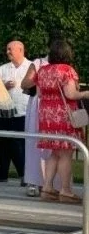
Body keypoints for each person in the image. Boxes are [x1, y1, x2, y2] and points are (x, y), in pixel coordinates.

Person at [22, 39, 89, 203]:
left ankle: (47, 188)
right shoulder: (67, 70)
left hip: (46, 115)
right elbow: (71, 94)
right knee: (66, 154)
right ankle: (65, 190)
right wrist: (86, 94)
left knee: (53, 153)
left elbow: (39, 92)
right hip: (63, 115)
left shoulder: (43, 70)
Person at [0, 40, 31, 185]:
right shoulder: (2, 69)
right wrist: (3, 86)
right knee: (4, 143)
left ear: (20, 50)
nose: (7, 52)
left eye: (10, 49)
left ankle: (24, 174)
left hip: (23, 112)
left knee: (19, 144)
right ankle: (2, 173)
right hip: (5, 111)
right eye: (7, 49)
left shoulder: (31, 67)